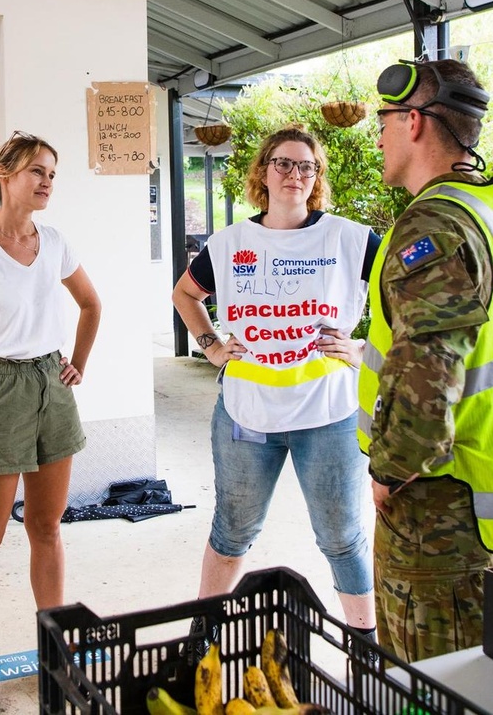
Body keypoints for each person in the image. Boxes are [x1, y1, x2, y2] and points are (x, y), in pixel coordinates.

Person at [172, 125, 380, 642]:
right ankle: (204, 636)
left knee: (342, 539)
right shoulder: (230, 244)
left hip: (328, 415)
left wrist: (365, 350)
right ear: (263, 173)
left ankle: (365, 646)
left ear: (317, 177)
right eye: (283, 164)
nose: (295, 174)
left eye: (306, 166)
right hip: (247, 414)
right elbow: (185, 295)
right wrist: (212, 345)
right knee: (233, 530)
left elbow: (408, 302)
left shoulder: (350, 239)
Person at [0, 130, 101, 715]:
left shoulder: (53, 242)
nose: (47, 181)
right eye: (37, 170)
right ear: (4, 174)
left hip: (49, 387)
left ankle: (54, 649)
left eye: (52, 173)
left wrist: (76, 364)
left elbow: (91, 304)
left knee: (48, 528)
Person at [357, 58, 493, 663]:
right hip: (477, 495)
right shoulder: (481, 212)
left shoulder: (435, 226)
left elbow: (426, 379)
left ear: (412, 123)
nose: (378, 136)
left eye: (382, 121)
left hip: (440, 509)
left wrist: (389, 472)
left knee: (430, 681)